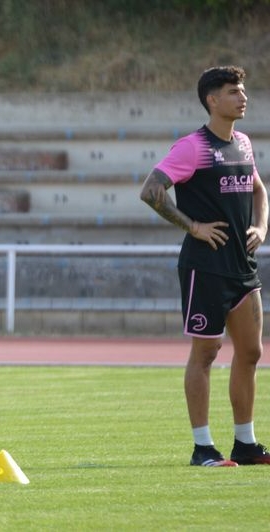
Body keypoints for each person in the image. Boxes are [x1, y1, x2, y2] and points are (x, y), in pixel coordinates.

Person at [140, 65, 270, 467]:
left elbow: (259, 188)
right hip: (205, 268)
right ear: (212, 100)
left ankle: (245, 444)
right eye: (234, 91)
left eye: (243, 90)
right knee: (207, 352)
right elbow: (151, 190)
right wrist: (193, 226)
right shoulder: (192, 147)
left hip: (242, 267)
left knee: (250, 352)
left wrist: (261, 226)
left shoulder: (244, 144)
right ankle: (202, 448)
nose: (243, 97)